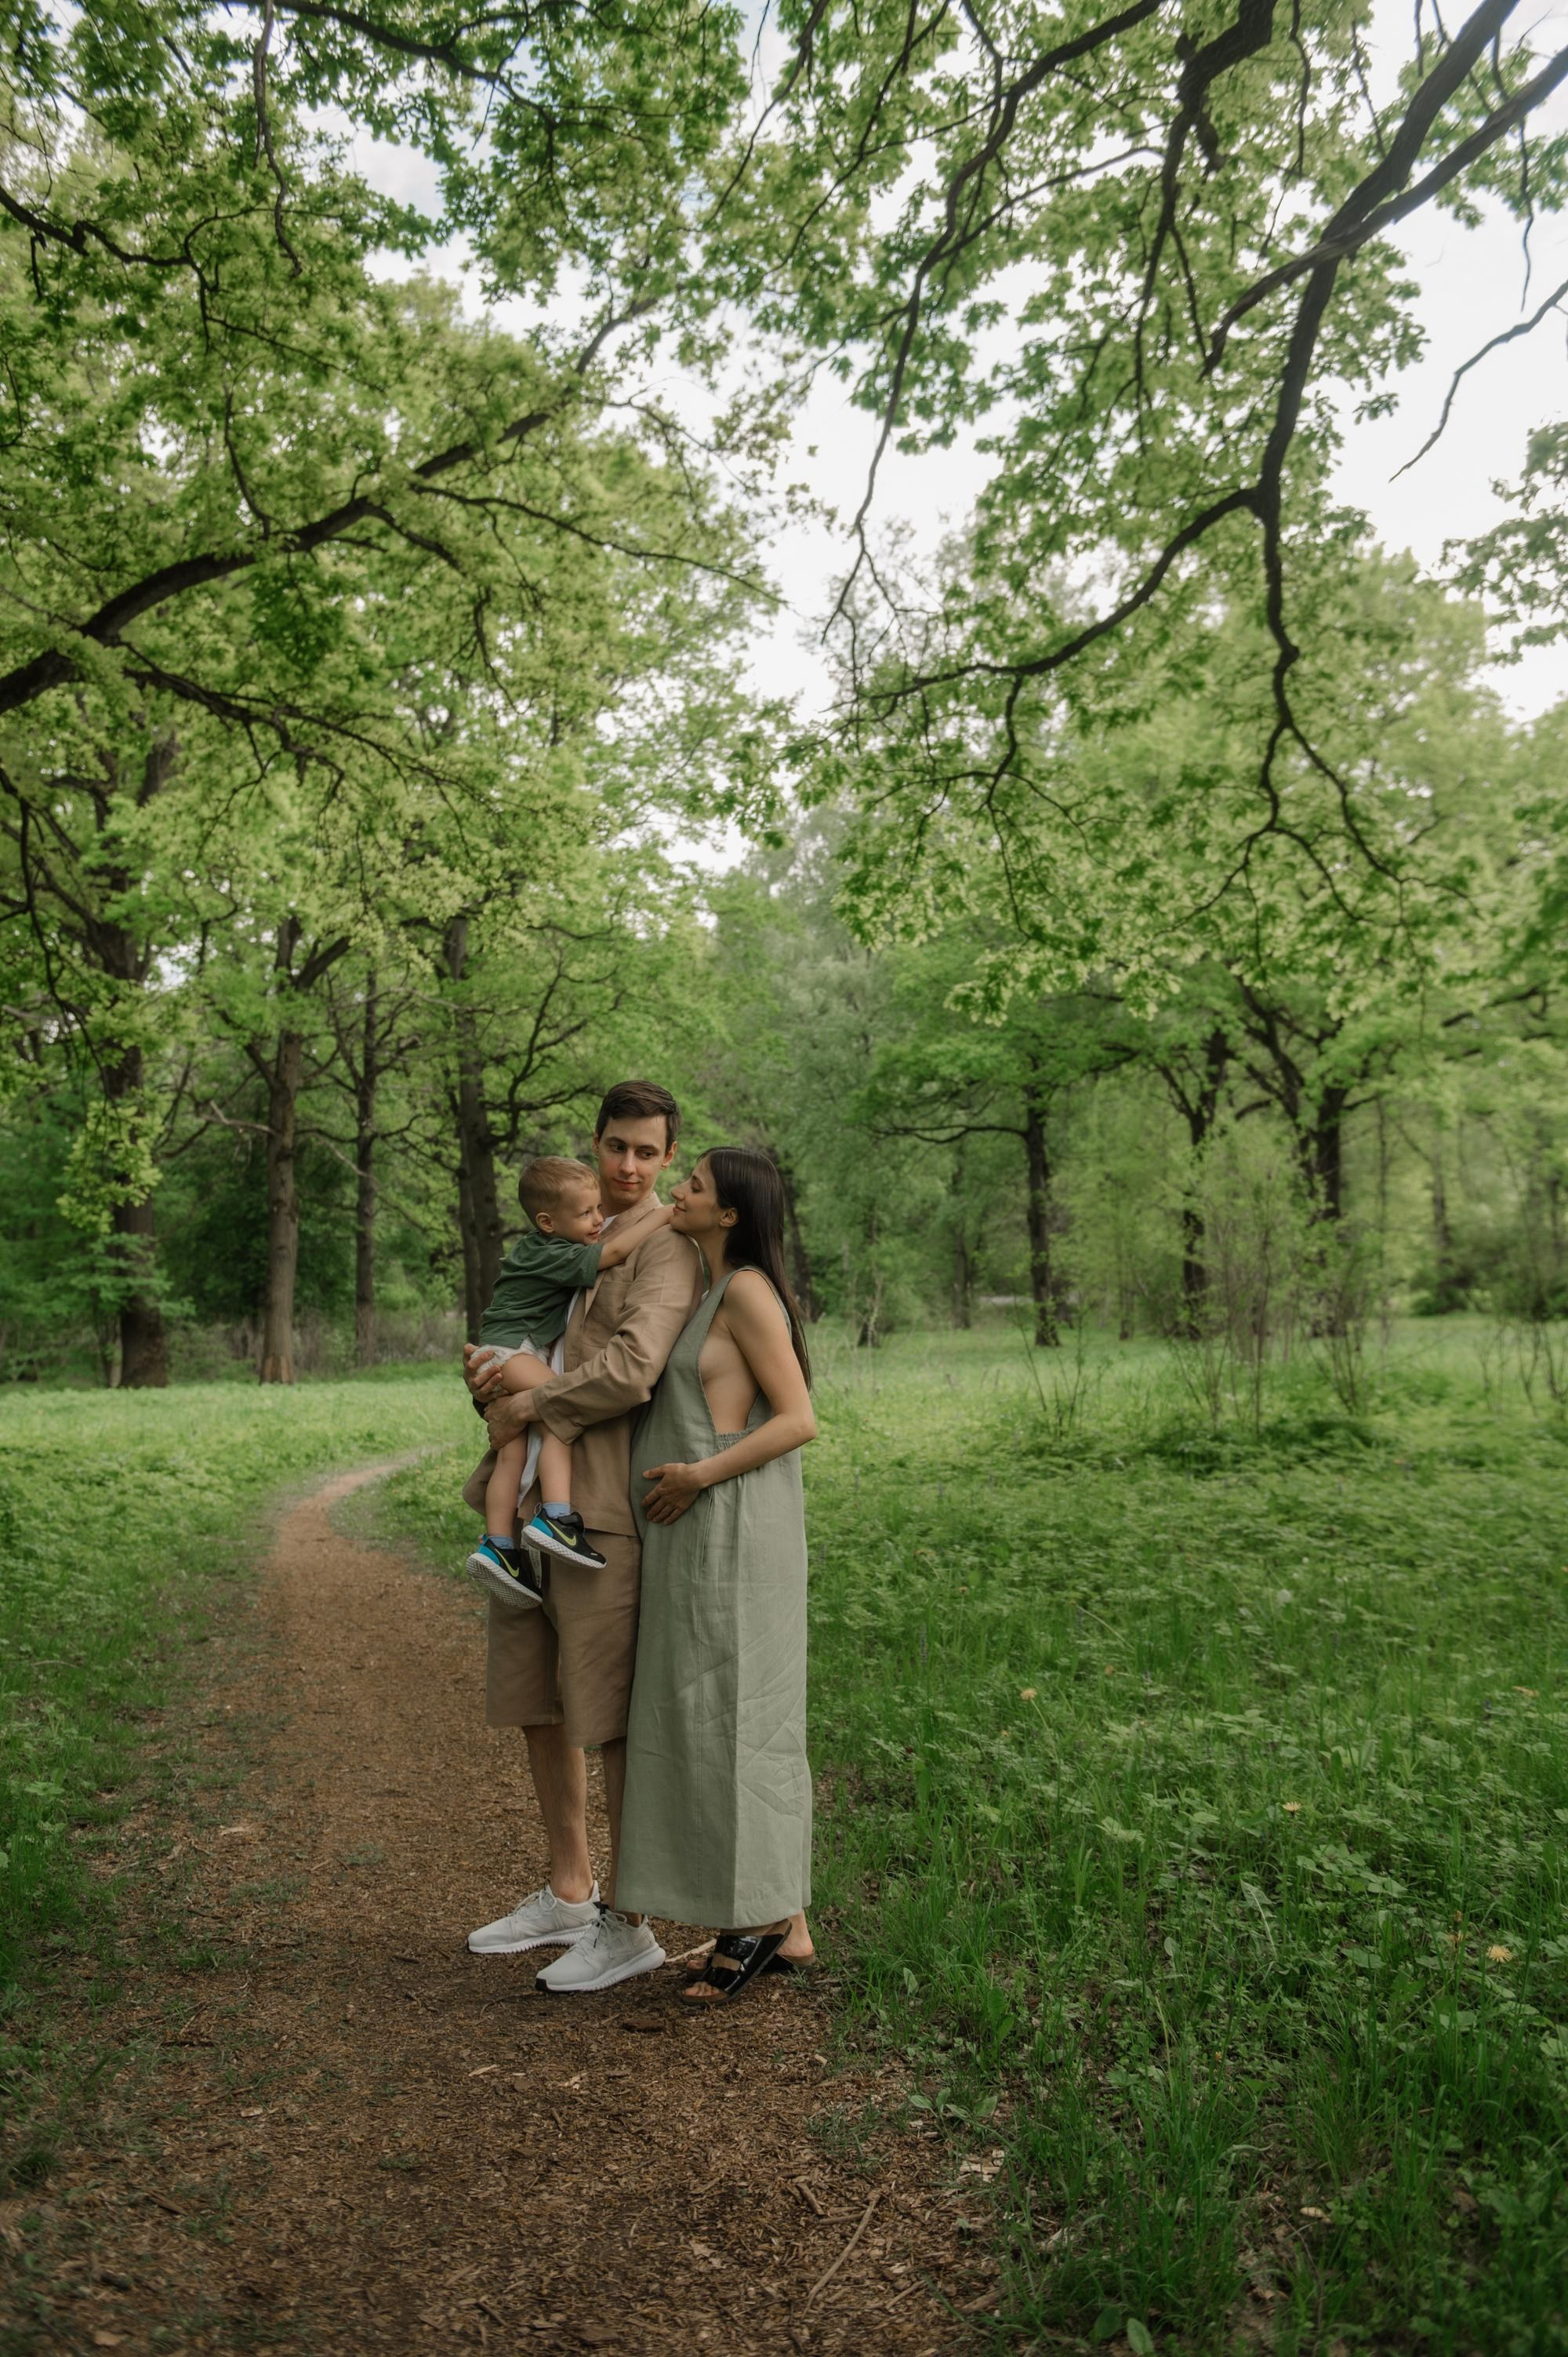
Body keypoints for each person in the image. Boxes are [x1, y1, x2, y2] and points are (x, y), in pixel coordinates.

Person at [460, 1080, 702, 1994]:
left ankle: (628, 1919)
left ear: (667, 1157)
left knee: (603, 1716)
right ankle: (568, 1891)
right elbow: (520, 1340)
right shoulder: (568, 1235)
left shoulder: (666, 1248)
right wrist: (490, 1383)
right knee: (538, 1702)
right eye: (615, 1147)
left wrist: (528, 1398)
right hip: (524, 1504)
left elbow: (633, 1370)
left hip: (598, 1509)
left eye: (646, 1151)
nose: (629, 1165)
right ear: (594, 1146)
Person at [604, 1146, 817, 2009]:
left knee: (741, 1722)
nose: (677, 1191)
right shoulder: (705, 1289)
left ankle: (760, 1924)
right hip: (694, 1543)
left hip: (732, 1534)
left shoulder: (749, 1293)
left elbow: (799, 1419)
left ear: (730, 1214)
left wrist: (696, 1476)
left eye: (691, 1185)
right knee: (704, 1720)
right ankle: (785, 1924)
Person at [466, 1155, 673, 1602]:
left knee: (511, 1451)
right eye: (585, 1214)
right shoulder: (554, 1252)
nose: (598, 1220)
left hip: (500, 1349)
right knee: (557, 1411)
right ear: (546, 1221)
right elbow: (614, 1253)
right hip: (514, 1349)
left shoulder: (536, 1246)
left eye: (598, 1210)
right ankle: (557, 1517)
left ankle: (499, 1545)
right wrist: (665, 1215)